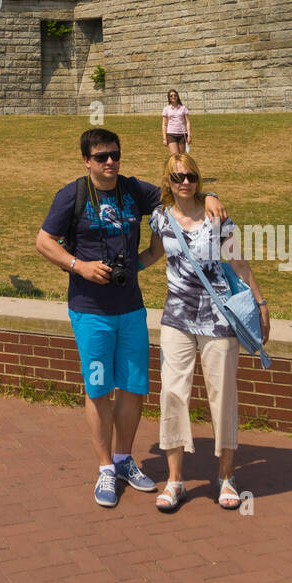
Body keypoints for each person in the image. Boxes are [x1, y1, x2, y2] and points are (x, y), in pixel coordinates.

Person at [36, 129, 228, 508]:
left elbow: (179, 190)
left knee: (135, 387)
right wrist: (80, 267)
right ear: (87, 161)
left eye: (116, 155)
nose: (110, 162)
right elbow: (44, 241)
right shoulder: (71, 195)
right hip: (90, 310)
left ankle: (124, 458)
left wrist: (211, 196)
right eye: (102, 156)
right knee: (98, 389)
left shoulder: (132, 191)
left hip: (130, 308)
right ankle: (105, 467)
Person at [139, 154, 269, 511]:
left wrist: (260, 302)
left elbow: (238, 262)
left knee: (223, 396)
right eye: (178, 177)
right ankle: (175, 480)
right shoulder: (161, 219)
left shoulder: (217, 216)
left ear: (198, 180)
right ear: (167, 181)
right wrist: (121, 268)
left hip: (218, 319)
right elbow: (152, 254)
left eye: (192, 176)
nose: (185, 182)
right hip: (177, 319)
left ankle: (226, 477)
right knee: (173, 395)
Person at [162, 89, 191, 156]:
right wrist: (164, 138)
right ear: (169, 98)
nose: (173, 97)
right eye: (171, 96)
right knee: (175, 156)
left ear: (177, 96)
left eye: (175, 95)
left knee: (182, 156)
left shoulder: (183, 108)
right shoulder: (166, 109)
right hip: (171, 134)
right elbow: (164, 124)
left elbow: (188, 122)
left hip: (182, 135)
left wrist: (189, 135)